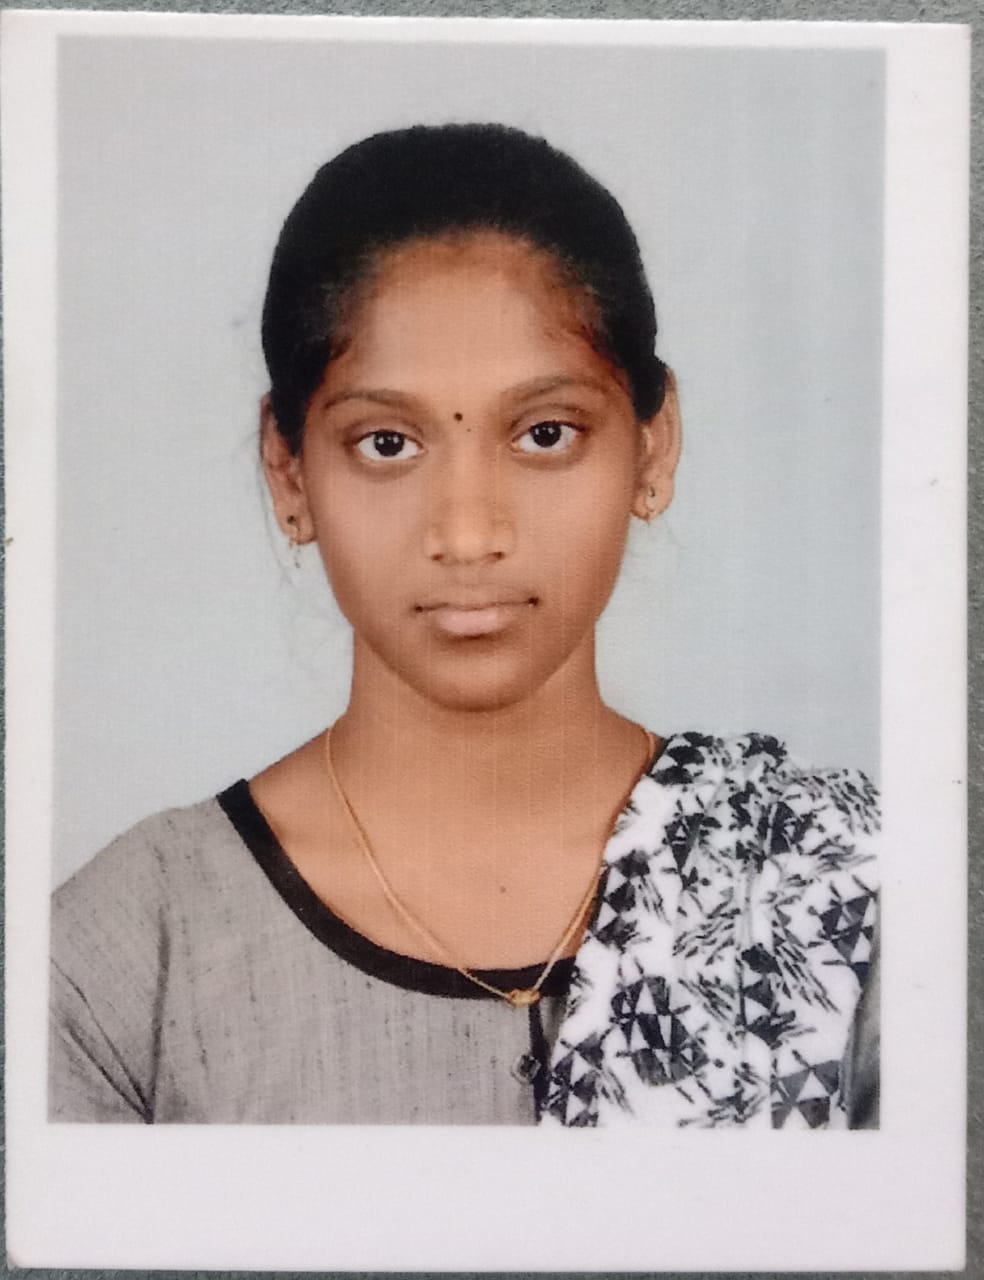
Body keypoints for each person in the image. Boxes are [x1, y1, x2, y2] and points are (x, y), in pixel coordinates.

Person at [49, 123, 879, 1127]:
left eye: (545, 433)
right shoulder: (129, 957)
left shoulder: (843, 891)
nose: (469, 532)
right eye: (387, 443)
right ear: (289, 471)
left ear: (653, 449)